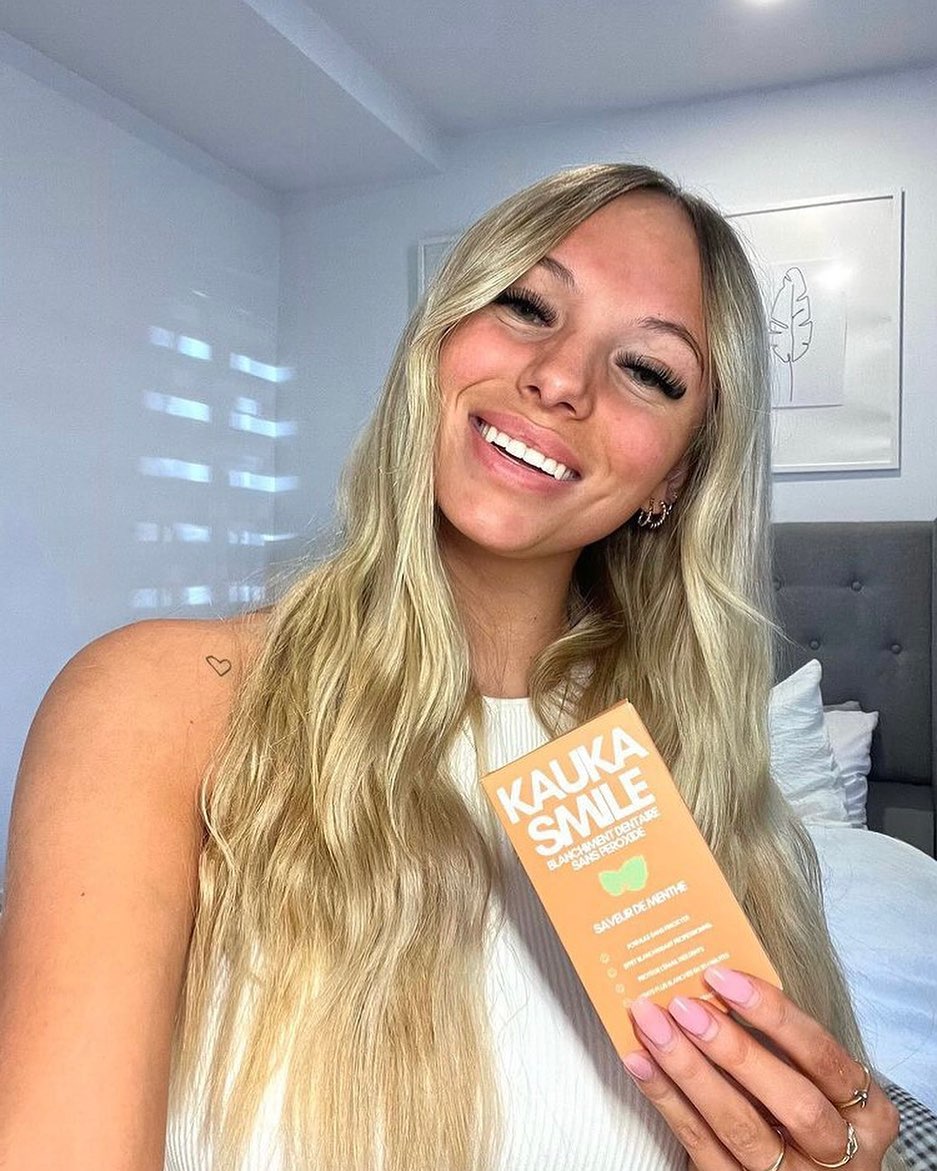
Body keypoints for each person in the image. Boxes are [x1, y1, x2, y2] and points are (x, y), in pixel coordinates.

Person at [0, 164, 902, 1171]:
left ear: (677, 475)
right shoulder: (158, 702)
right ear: (438, 339)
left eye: (648, 371)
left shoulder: (719, 816)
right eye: (526, 305)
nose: (560, 378)